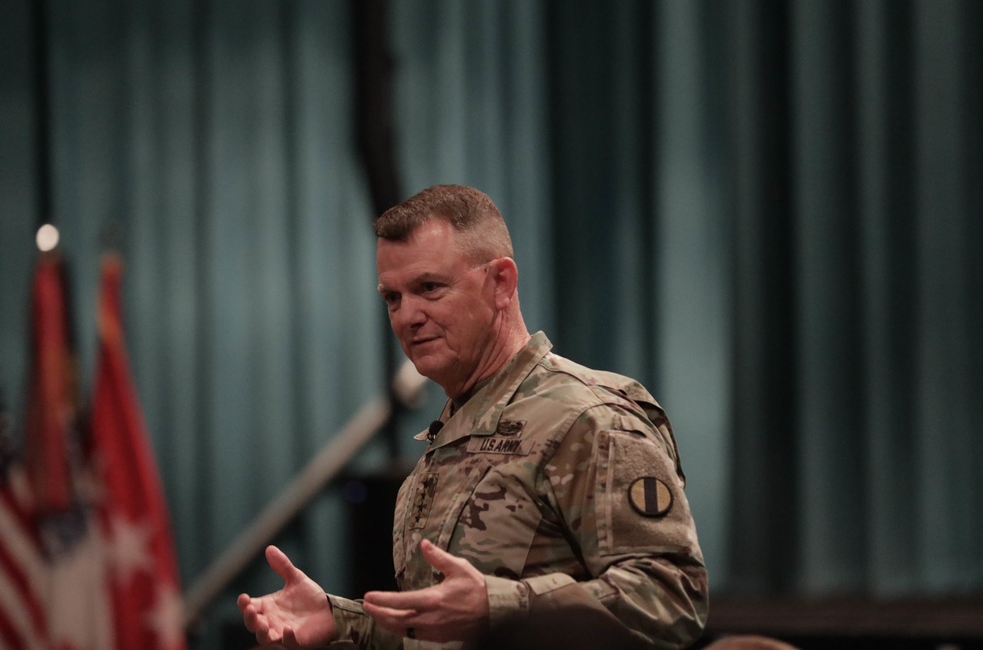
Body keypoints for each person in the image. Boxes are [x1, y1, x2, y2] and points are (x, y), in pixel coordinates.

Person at [238, 185, 708, 649]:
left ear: (501, 283)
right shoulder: (450, 436)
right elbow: (449, 631)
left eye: (428, 288)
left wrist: (498, 605)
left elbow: (671, 595)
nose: (407, 316)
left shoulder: (589, 417)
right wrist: (341, 622)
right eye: (392, 298)